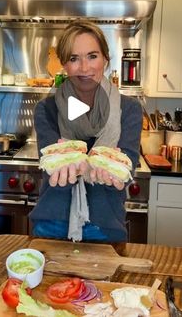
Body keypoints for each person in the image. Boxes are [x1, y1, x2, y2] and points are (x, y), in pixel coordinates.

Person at [30, 19, 142, 243]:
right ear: (64, 64)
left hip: (105, 225)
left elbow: (126, 165)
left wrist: (111, 170)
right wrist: (92, 164)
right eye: (74, 58)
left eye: (92, 56)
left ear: (105, 59)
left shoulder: (129, 109)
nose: (84, 68)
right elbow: (52, 163)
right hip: (51, 224)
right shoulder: (47, 109)